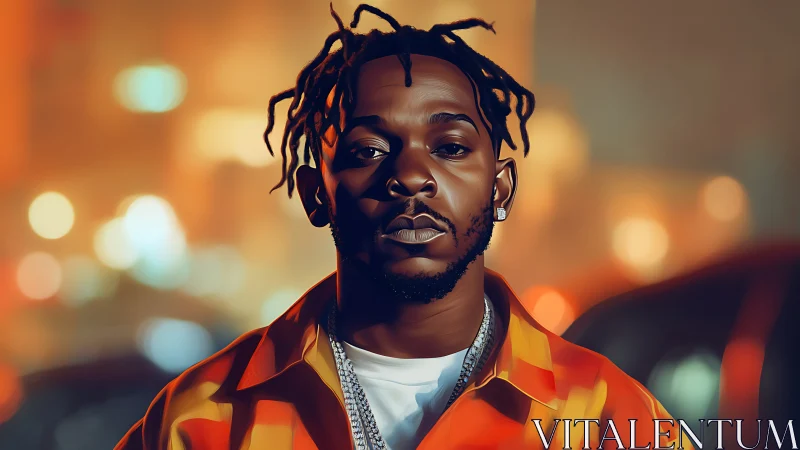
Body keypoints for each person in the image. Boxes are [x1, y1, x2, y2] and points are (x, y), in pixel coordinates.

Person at [116, 4, 688, 449]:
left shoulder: (608, 416)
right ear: (315, 195)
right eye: (368, 150)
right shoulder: (206, 420)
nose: (412, 176)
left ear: (500, 188)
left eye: (451, 147)